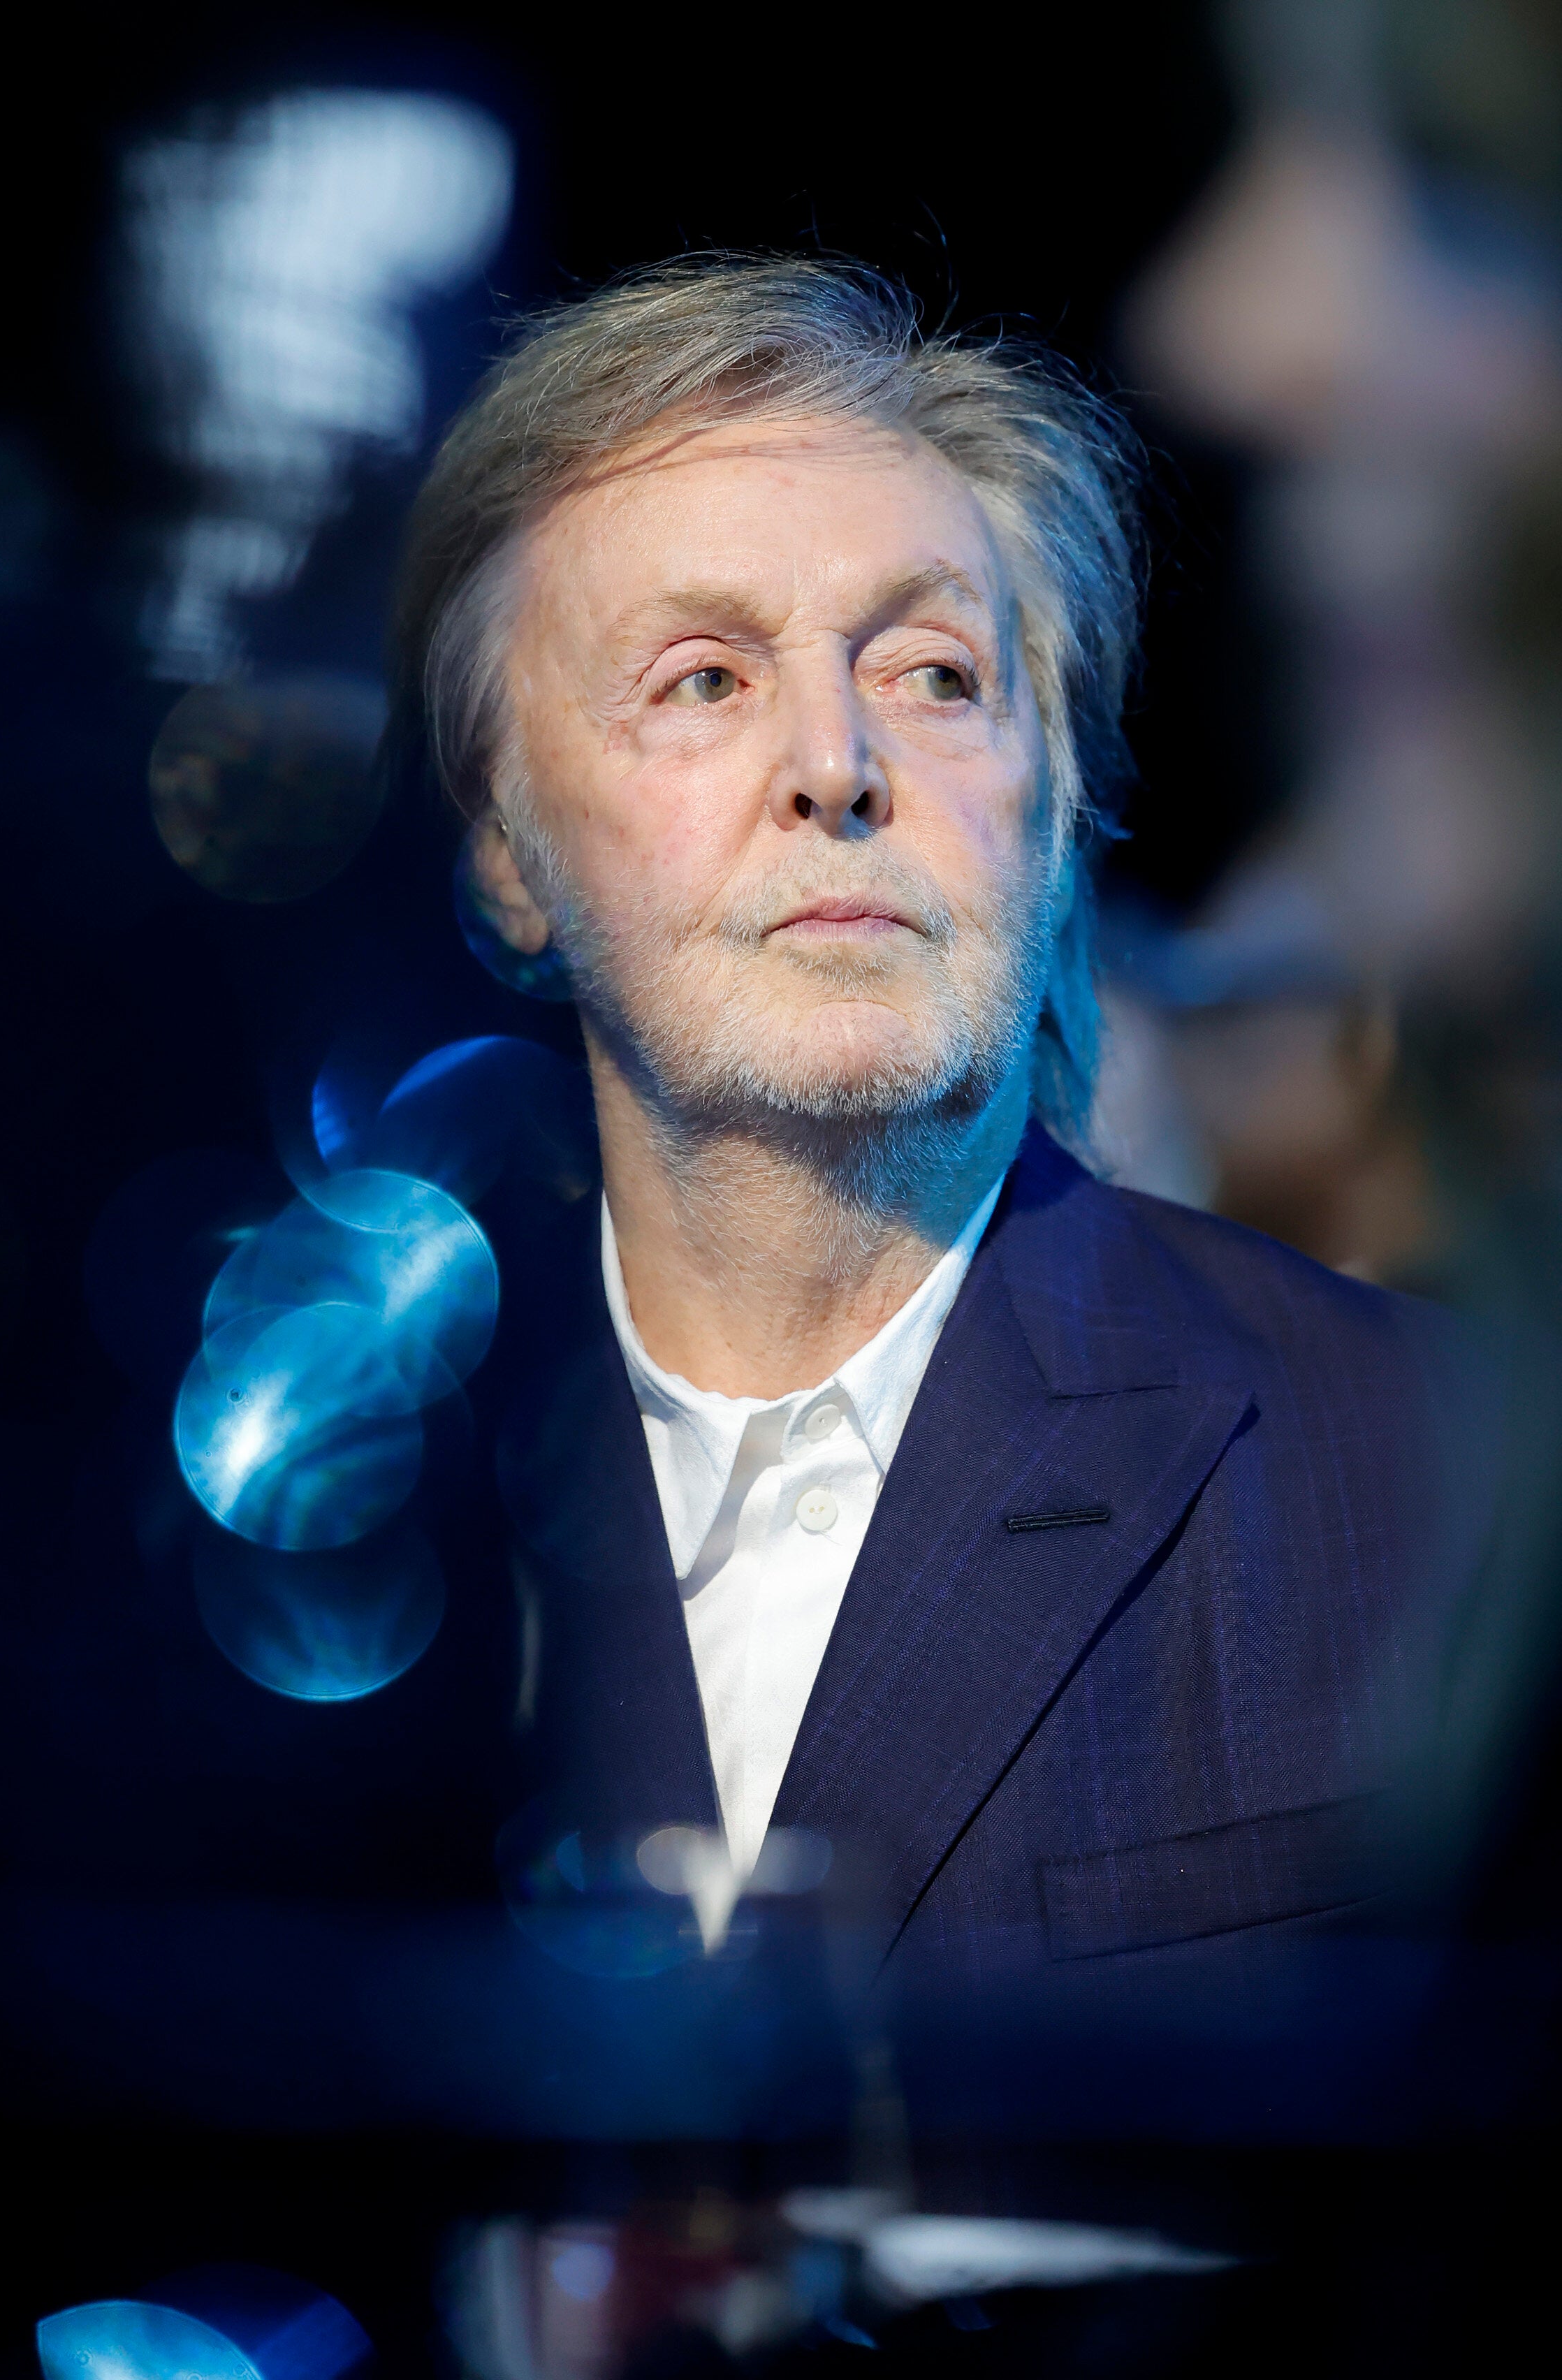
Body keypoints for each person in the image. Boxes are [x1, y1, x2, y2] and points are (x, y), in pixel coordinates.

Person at [386, 254, 1490, 1991]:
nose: (835, 762)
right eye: (702, 681)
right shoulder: (365, 1499)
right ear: (505, 850)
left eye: (932, 674)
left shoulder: (1445, 1482)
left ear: (1057, 805)